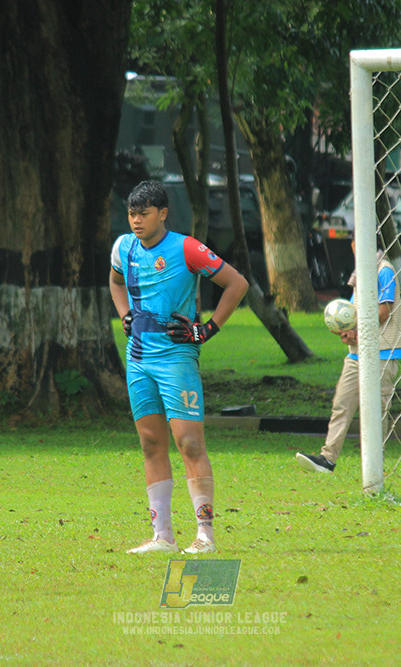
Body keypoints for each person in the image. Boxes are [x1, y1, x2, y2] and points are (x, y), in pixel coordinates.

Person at [109, 180, 249, 554]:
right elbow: (115, 281)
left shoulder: (186, 248)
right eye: (132, 214)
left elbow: (236, 283)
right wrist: (124, 314)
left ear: (163, 213)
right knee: (151, 443)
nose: (136, 221)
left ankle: (205, 535)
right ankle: (163, 537)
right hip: (138, 359)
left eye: (144, 213)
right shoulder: (123, 248)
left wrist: (207, 330)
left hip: (176, 358)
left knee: (188, 442)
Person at [296, 240, 401, 474]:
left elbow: (383, 312)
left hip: (382, 354)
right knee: (341, 405)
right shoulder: (361, 273)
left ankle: (376, 463)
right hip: (357, 355)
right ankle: (327, 460)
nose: (355, 248)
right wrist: (348, 332)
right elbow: (355, 315)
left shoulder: (384, 270)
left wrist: (357, 327)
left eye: (359, 242)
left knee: (377, 410)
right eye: (354, 243)